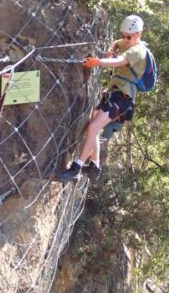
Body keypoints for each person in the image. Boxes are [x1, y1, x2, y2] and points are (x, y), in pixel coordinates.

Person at [57, 14, 150, 181]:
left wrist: (98, 61)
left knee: (93, 127)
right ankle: (95, 165)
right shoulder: (126, 42)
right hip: (113, 93)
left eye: (128, 36)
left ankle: (77, 167)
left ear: (139, 34)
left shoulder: (138, 51)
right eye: (123, 35)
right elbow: (116, 44)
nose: (125, 39)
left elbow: (120, 61)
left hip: (123, 97)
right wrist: (112, 48)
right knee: (92, 124)